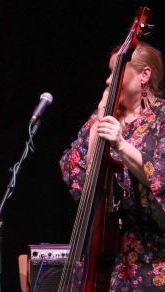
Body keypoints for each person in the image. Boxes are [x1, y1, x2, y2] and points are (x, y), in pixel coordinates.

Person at [60, 41, 165, 290]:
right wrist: (97, 126)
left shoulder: (161, 120)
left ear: (144, 75)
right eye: (109, 72)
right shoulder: (103, 118)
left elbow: (160, 176)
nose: (109, 80)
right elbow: (78, 179)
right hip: (102, 260)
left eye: (116, 72)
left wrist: (120, 143)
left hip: (150, 263)